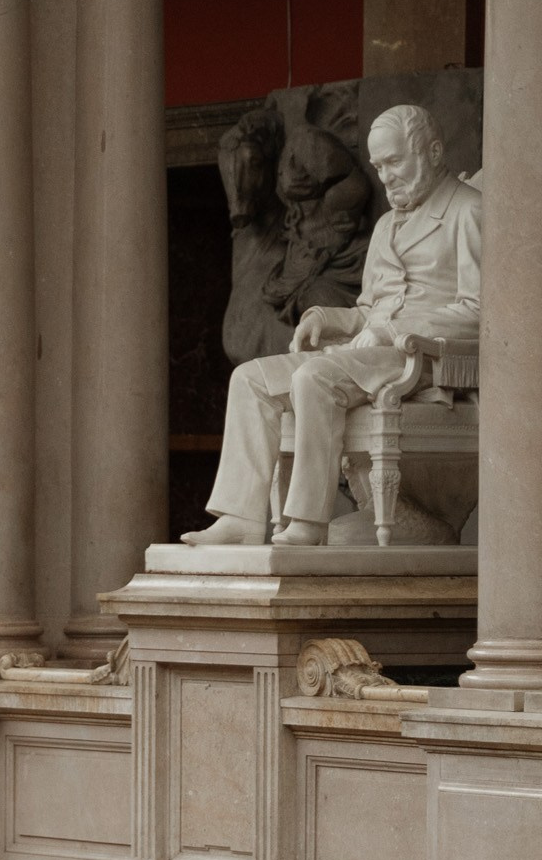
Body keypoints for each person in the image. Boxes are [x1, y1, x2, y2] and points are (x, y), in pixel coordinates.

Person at [183, 102, 481, 549]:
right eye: (378, 166)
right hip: (371, 353)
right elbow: (369, 308)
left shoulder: (469, 211)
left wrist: (393, 332)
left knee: (315, 377)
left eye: (395, 161)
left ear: (434, 151)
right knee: (249, 379)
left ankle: (307, 521)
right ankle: (241, 518)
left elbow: (481, 310)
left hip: (424, 359)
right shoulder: (385, 226)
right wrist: (327, 317)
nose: (385, 177)